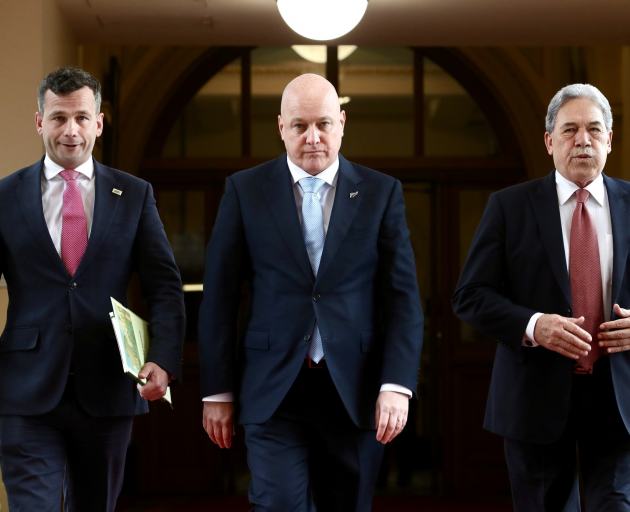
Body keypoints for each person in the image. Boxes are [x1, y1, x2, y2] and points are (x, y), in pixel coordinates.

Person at [199, 74, 424, 511]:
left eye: (323, 123)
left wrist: (396, 383)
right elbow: (220, 298)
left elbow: (403, 299)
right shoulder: (245, 190)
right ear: (280, 127)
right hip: (273, 388)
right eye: (300, 126)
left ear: (342, 123)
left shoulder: (381, 193)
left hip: (355, 390)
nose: (313, 137)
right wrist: (217, 390)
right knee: (278, 503)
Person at [0, 67, 185, 512]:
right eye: (59, 117)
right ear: (39, 121)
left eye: (82, 117)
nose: (71, 130)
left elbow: (163, 285)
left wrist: (162, 357)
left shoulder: (135, 194)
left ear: (99, 123)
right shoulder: (5, 196)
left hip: (108, 388)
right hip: (26, 390)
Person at [452, 83, 630, 511]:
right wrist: (534, 325)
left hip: (618, 396)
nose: (582, 140)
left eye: (593, 129)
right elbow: (470, 296)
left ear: (610, 139)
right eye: (569, 130)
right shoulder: (509, 207)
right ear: (550, 142)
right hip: (535, 395)